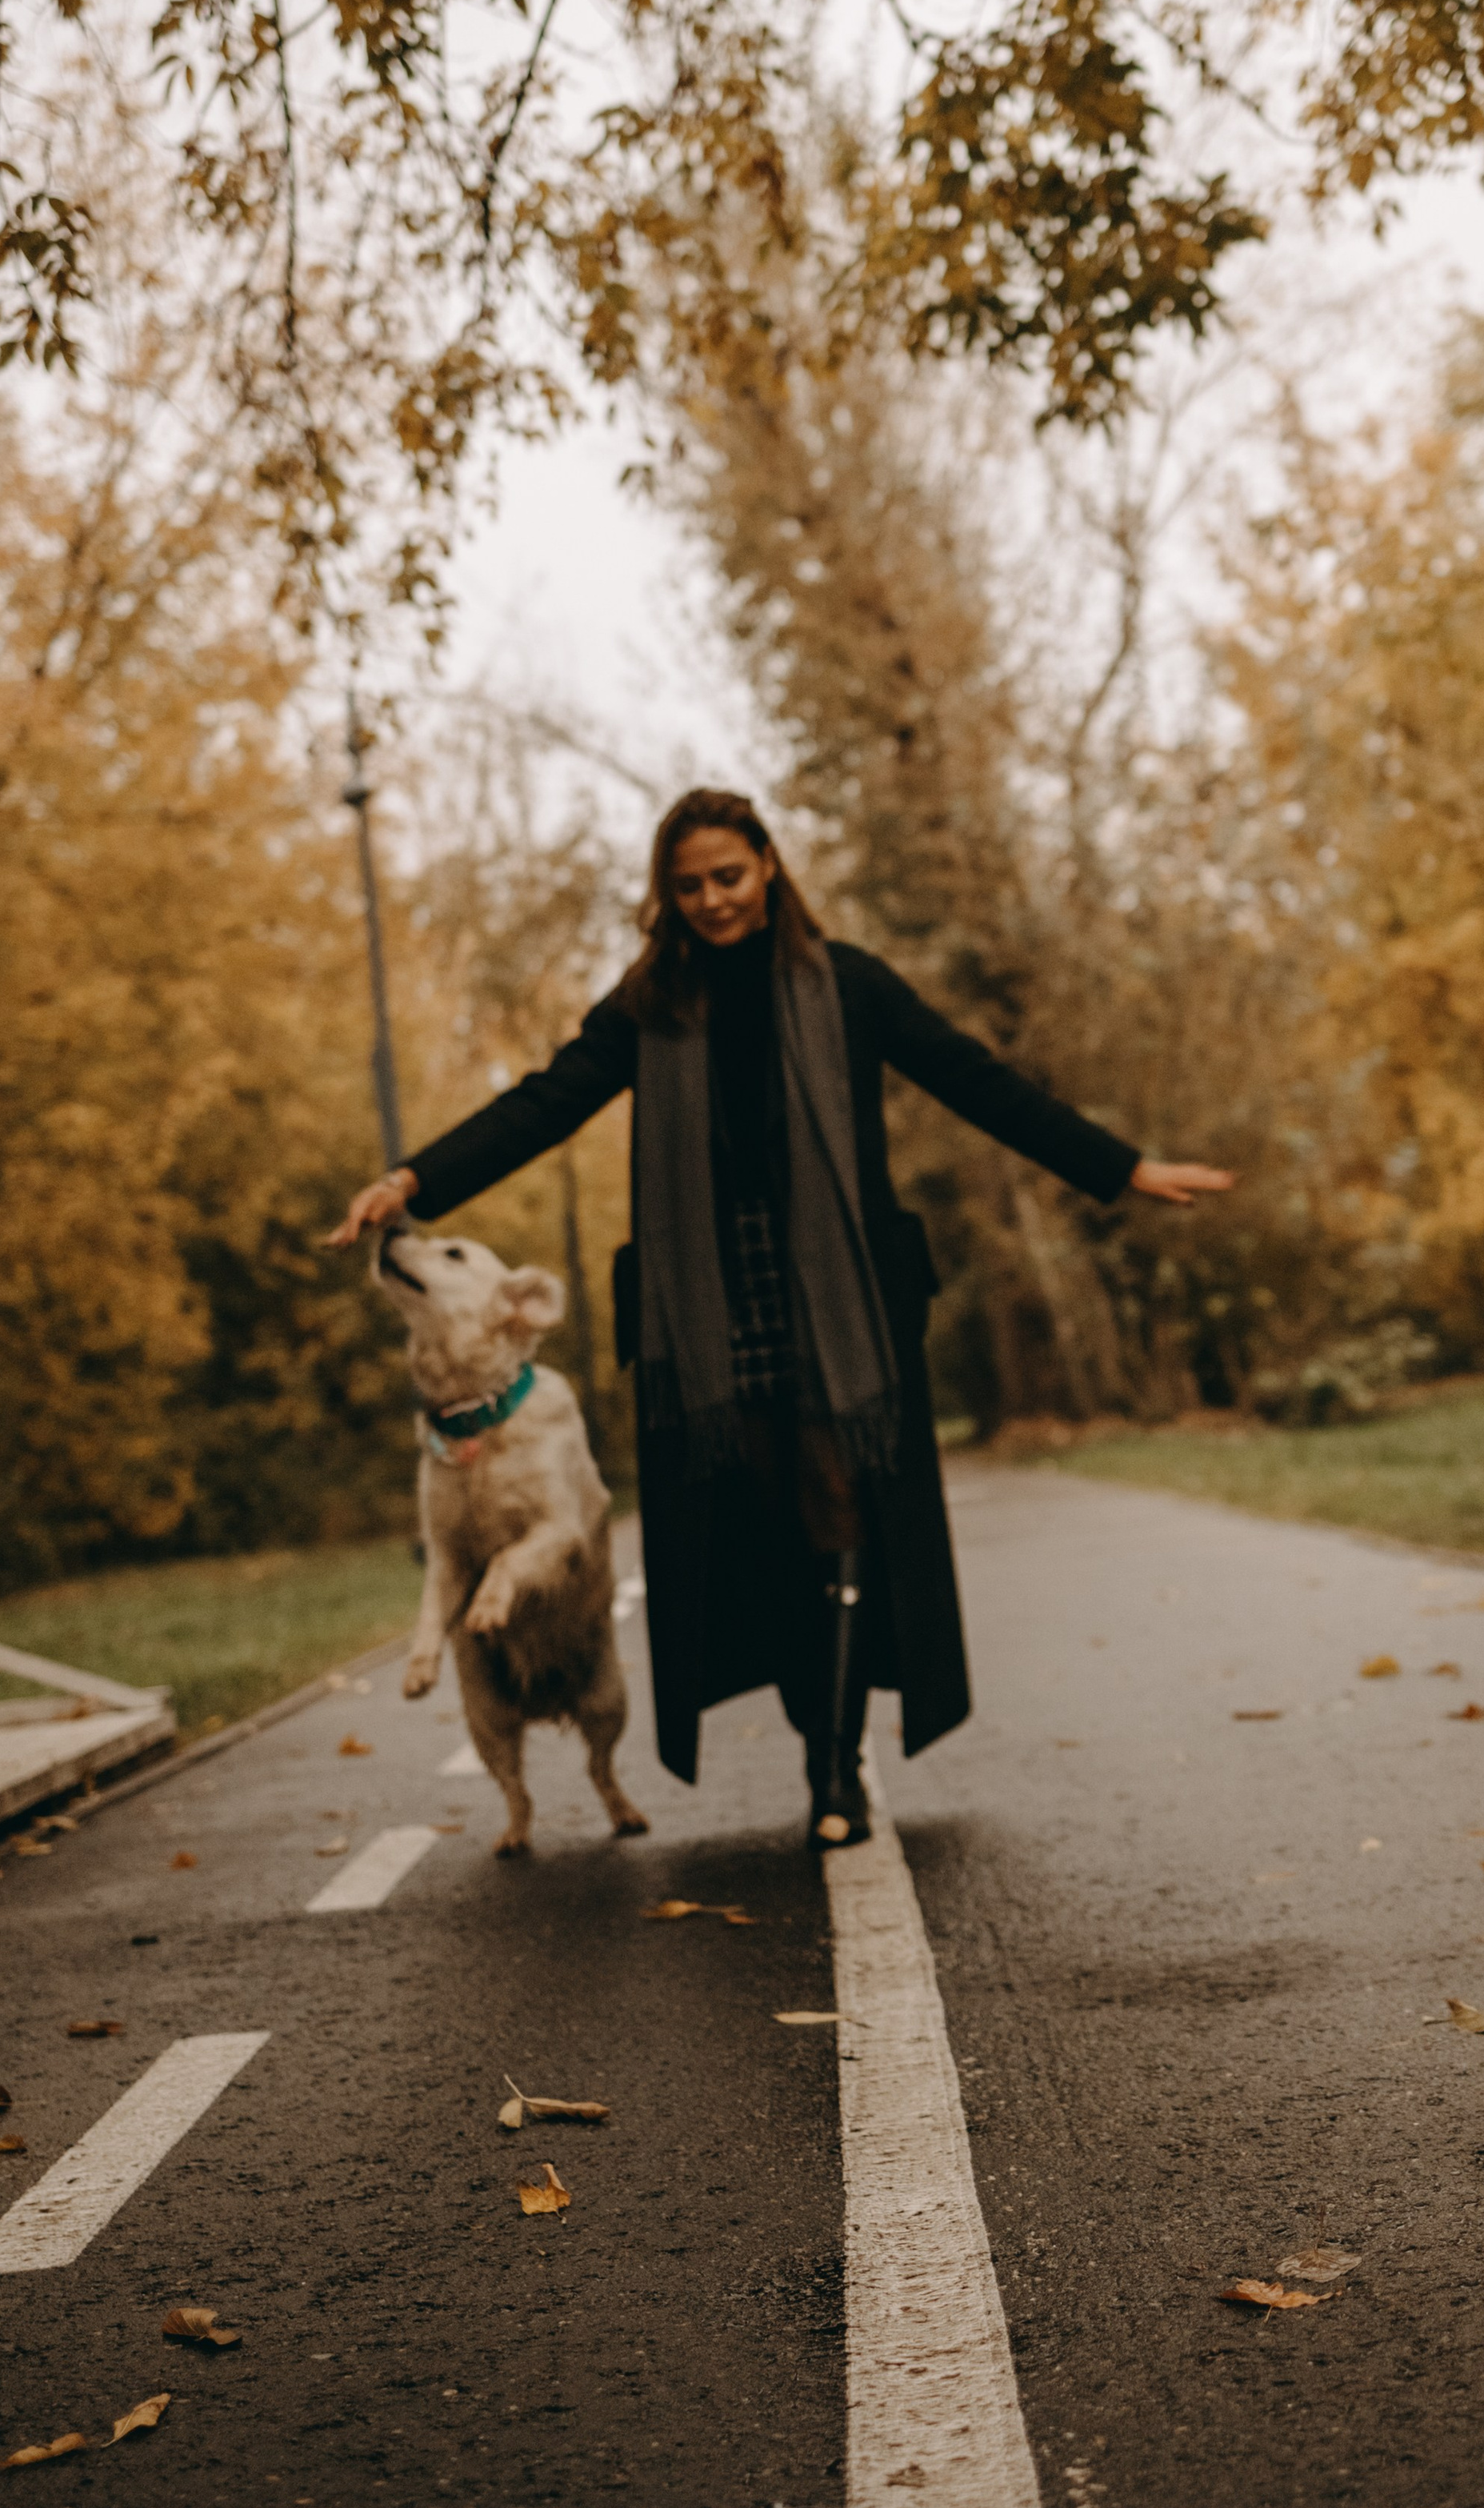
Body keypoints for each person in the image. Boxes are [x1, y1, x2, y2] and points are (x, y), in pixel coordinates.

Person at [328, 788, 1234, 1845]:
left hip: (836, 1300)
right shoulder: (648, 1008)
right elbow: (543, 1101)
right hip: (710, 1310)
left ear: (768, 865)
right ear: (667, 895)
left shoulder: (847, 985)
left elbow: (975, 1080)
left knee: (835, 1500)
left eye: (729, 876)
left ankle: (832, 1772)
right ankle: (822, 1733)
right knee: (768, 1526)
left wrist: (1120, 1168)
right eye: (690, 886)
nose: (713, 900)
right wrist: (414, 1180)